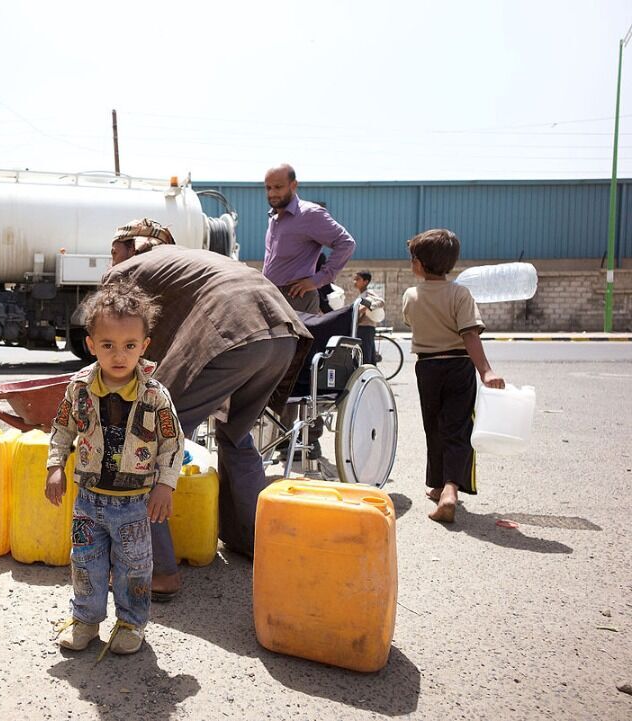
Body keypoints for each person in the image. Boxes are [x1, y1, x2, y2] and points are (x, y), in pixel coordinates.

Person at [104, 219, 312, 599]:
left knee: (145, 443)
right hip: (282, 334)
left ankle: (157, 572)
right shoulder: (187, 260)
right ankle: (253, 541)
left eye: (115, 250)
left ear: (135, 246)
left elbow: (115, 347)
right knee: (235, 433)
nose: (111, 260)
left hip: (234, 336)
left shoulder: (128, 271)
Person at [46, 279, 182, 656]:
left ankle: (130, 624)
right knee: (85, 562)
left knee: (134, 567)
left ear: (144, 346)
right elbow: (61, 429)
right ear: (91, 345)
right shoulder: (79, 388)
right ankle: (86, 621)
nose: (118, 355)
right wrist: (55, 466)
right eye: (107, 345)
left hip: (135, 503)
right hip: (88, 500)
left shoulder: (155, 396)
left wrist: (165, 486)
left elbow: (173, 443)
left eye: (129, 346)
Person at [402, 229, 504, 524]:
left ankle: (438, 485)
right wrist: (486, 371)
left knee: (432, 426)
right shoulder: (460, 294)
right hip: (459, 366)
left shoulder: (411, 295)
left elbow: (411, 320)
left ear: (420, 264)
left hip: (427, 367)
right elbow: (469, 333)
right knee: (457, 427)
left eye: (412, 259)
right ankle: (448, 490)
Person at [262, 164, 356, 314]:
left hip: (296, 298)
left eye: (278, 187)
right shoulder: (274, 218)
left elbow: (346, 243)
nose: (272, 193)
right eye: (268, 188)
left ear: (293, 185)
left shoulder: (309, 214)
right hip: (272, 296)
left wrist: (317, 281)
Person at [354, 270, 385, 365]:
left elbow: (381, 302)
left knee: (365, 357)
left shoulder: (368, 293)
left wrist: (366, 307)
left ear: (365, 282)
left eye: (357, 279)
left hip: (366, 328)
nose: (355, 282)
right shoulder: (361, 294)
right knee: (369, 357)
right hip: (362, 327)